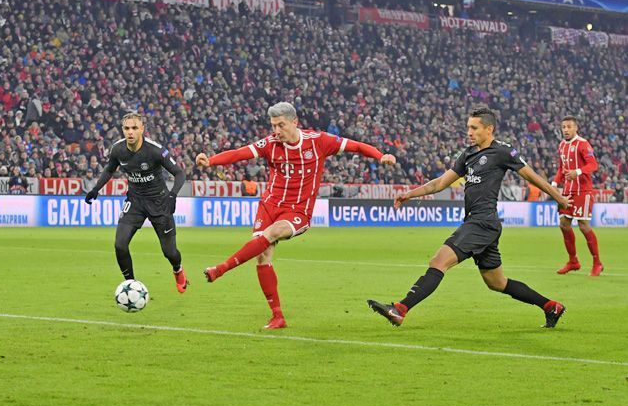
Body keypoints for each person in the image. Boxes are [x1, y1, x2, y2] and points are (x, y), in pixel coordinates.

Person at [196, 102, 396, 329]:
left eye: (281, 125)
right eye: (273, 126)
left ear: (294, 122)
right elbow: (239, 154)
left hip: (297, 211)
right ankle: (277, 316)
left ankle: (220, 269)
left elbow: (356, 146)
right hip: (269, 205)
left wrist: (380, 156)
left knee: (272, 234)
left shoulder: (318, 141)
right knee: (263, 256)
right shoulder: (270, 144)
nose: (276, 131)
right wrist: (211, 160)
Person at [367, 107, 571, 329]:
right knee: (496, 282)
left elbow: (531, 176)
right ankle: (551, 306)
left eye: (474, 128)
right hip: (481, 223)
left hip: (482, 222)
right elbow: (439, 183)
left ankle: (400, 309)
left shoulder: (503, 152)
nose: (469, 132)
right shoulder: (468, 154)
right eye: (468, 128)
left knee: (438, 261)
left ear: (489, 129)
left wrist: (558, 197)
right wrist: (410, 194)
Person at [85, 112, 188, 293]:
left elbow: (180, 173)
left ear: (142, 129)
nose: (130, 132)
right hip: (135, 201)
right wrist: (96, 188)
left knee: (170, 252)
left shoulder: (155, 150)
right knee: (120, 245)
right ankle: (131, 285)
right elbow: (109, 169)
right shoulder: (118, 149)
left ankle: (178, 269)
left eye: (134, 128)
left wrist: (172, 196)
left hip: (159, 202)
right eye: (126, 128)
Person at [552, 116, 603, 276]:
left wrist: (578, 172)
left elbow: (593, 164)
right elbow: (562, 169)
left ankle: (597, 263)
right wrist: (553, 185)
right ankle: (573, 261)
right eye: (564, 127)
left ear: (576, 128)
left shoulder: (583, 144)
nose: (566, 130)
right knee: (564, 224)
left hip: (583, 191)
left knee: (583, 225)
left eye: (569, 127)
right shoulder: (561, 146)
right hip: (568, 191)